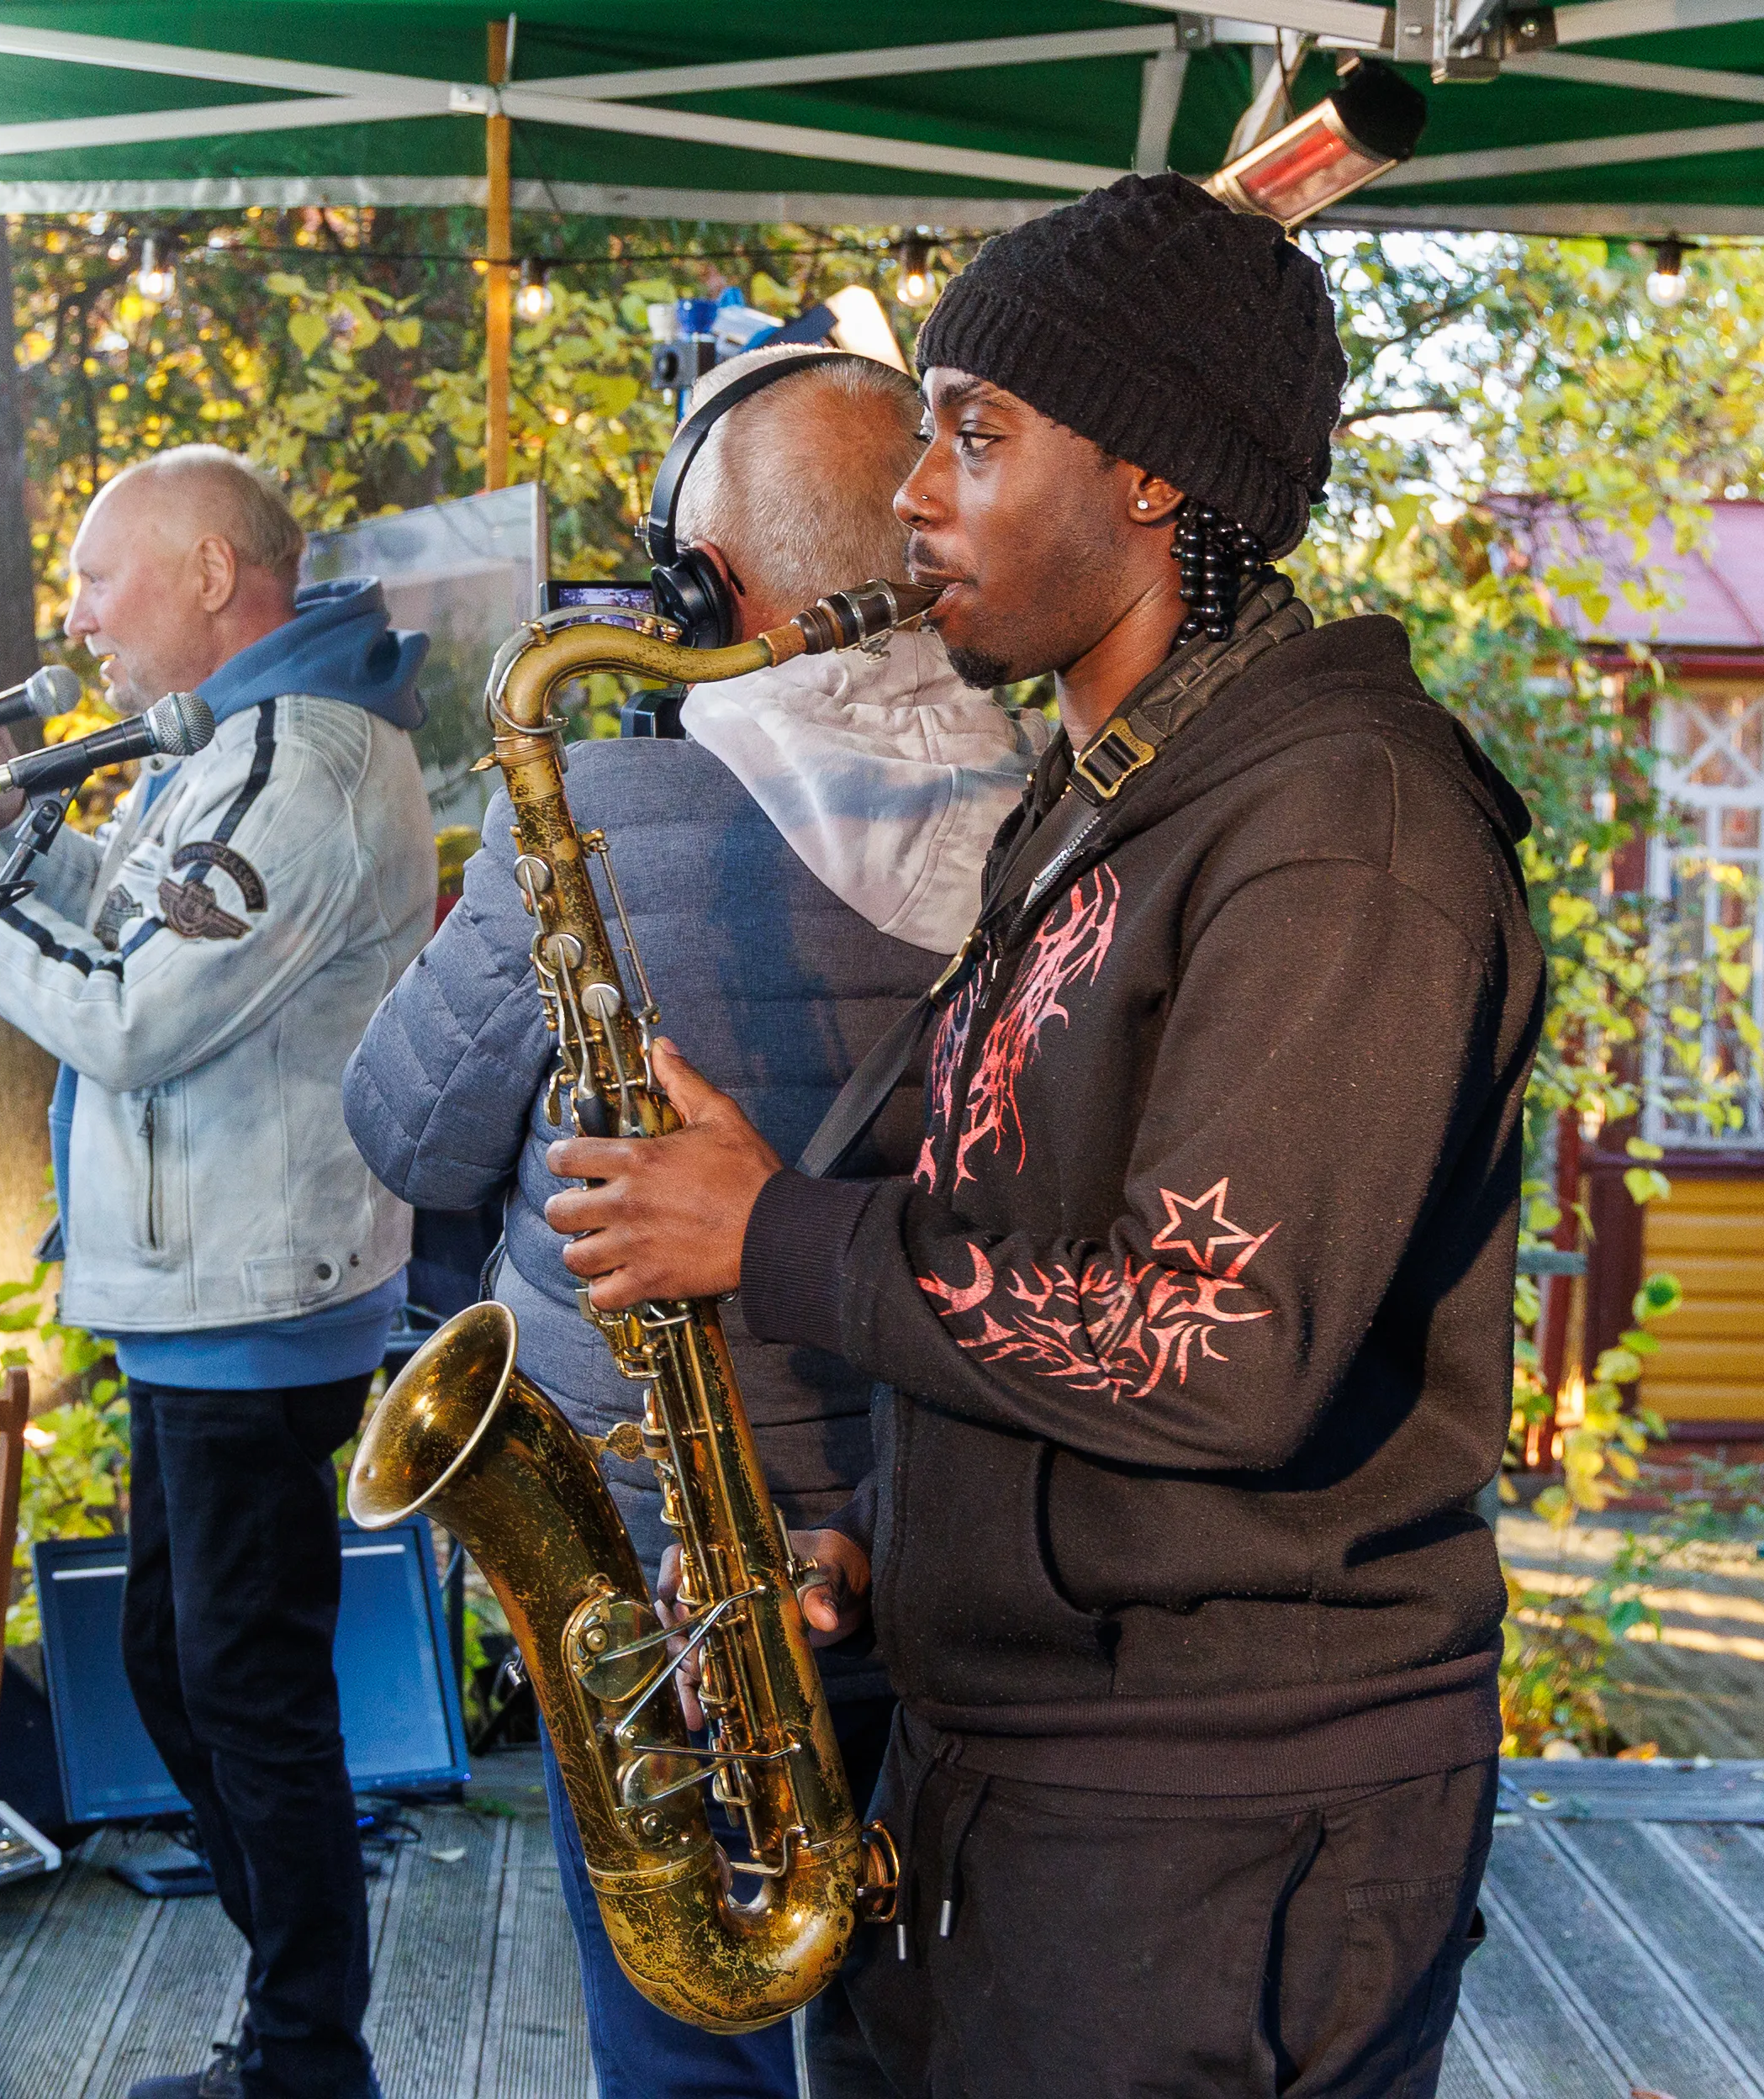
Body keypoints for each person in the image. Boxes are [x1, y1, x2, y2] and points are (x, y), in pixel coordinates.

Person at [531, 173, 1541, 2097]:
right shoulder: (1094, 802)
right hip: (1016, 1768)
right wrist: (878, 1546)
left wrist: (772, 1235)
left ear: (1149, 473)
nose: (914, 496)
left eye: (973, 433)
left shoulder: (1345, 832)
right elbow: (1025, 1247)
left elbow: (1207, 1344)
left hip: (1210, 1815)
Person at [345, 341, 1034, 2099]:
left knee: (675, 2031)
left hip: (660, 1568)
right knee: (923, 2017)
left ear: (695, 589)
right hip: (945, 1524)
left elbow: (405, 1130)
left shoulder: (579, 812)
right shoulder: (1062, 828)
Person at [0, 444, 435, 2099]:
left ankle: (304, 2060)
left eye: (100, 585)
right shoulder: (226, 746)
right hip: (202, 1295)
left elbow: (130, 1019)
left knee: (242, 1688)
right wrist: (10, 815)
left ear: (212, 576)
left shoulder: (302, 759)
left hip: (255, 1299)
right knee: (178, 1667)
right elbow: (125, 931)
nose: (78, 623)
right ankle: (293, 2025)